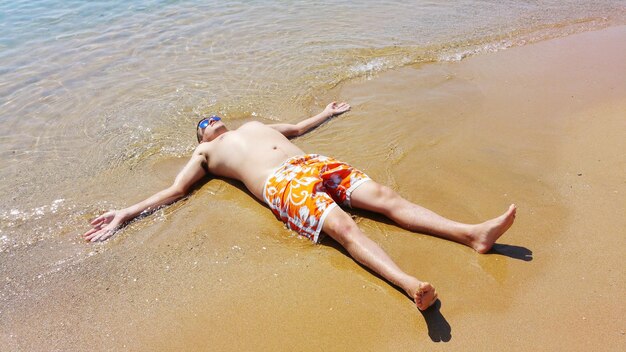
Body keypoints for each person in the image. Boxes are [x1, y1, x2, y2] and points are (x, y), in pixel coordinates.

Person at [83, 102, 516, 311]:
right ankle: (409, 285)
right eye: (201, 126)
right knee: (346, 229)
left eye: (211, 117)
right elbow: (175, 190)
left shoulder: (254, 124)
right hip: (282, 183)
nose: (209, 122)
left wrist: (324, 113)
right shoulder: (205, 156)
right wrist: (126, 212)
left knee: (386, 199)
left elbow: (294, 127)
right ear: (201, 140)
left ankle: (472, 233)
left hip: (311, 162)